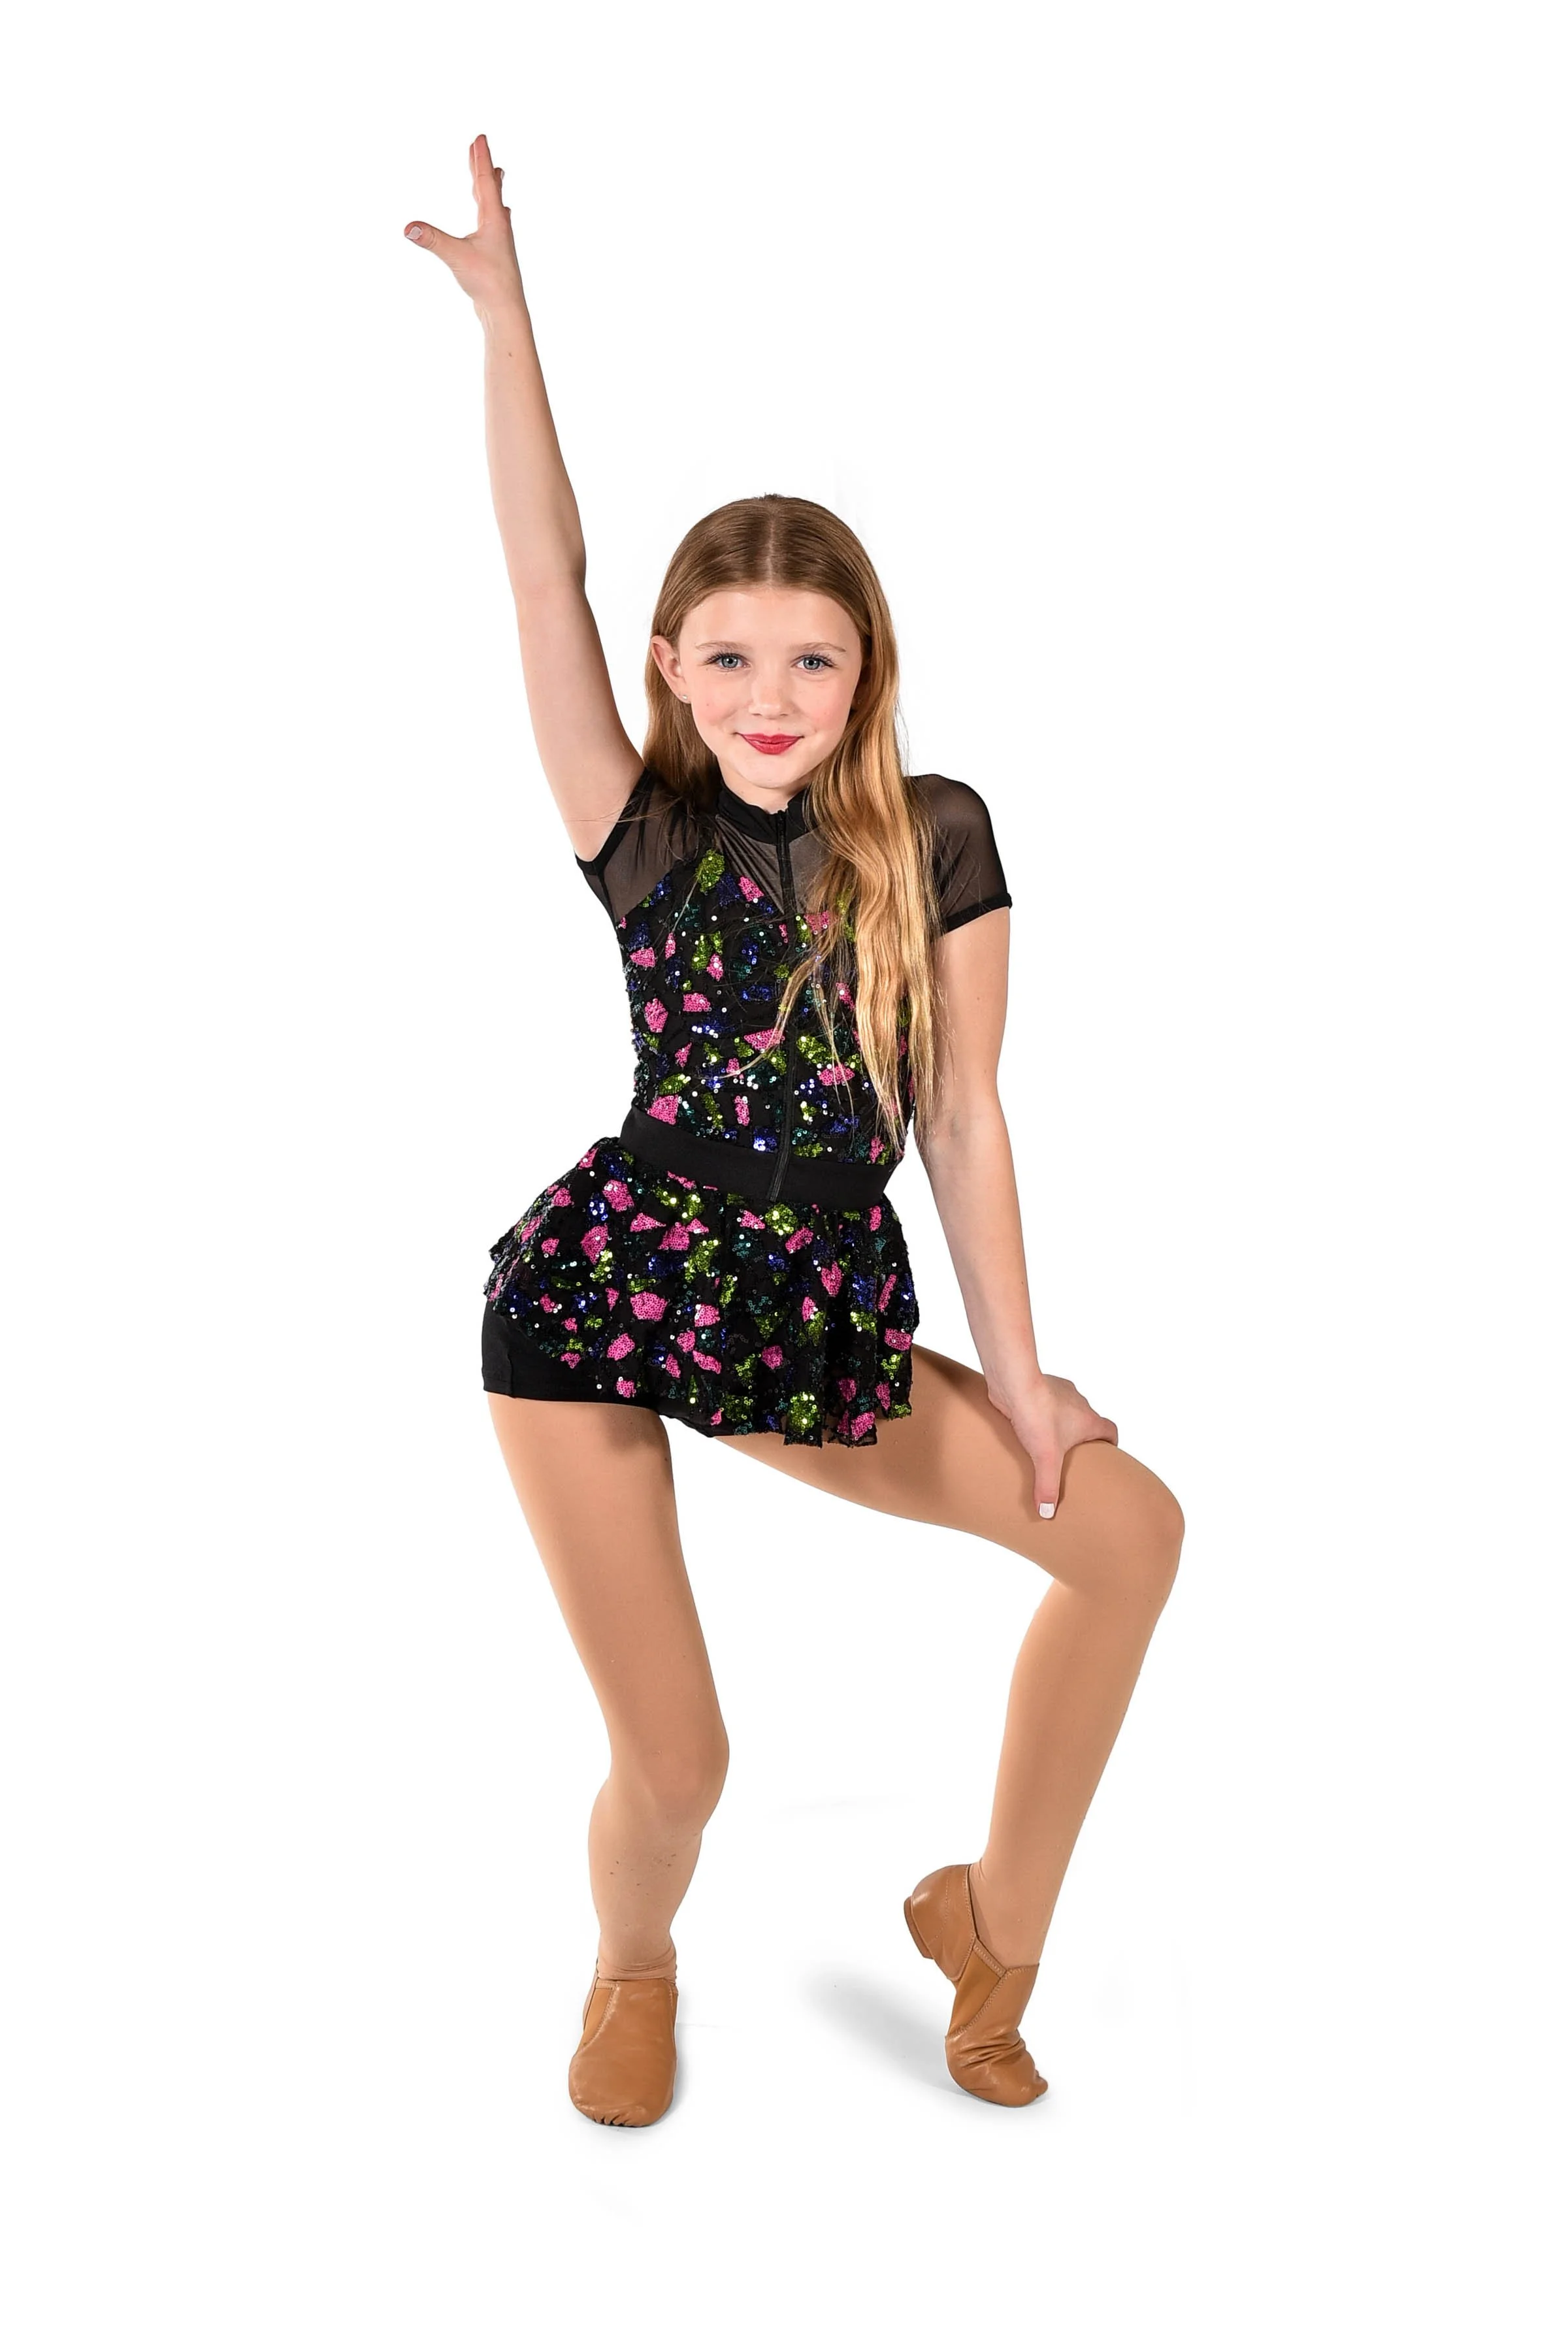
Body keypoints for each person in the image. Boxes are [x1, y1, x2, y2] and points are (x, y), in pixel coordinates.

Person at [404, 135, 1184, 2128]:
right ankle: (633, 1958)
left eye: (812, 657)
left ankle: (988, 1931)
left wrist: (1022, 1379)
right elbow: (543, 573)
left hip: (811, 1314)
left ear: (866, 671)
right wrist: (506, 322)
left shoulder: (939, 842)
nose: (772, 694)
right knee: (681, 1764)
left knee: (1130, 1535)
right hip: (603, 1300)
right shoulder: (639, 827)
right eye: (732, 657)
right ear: (673, 672)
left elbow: (966, 1118)